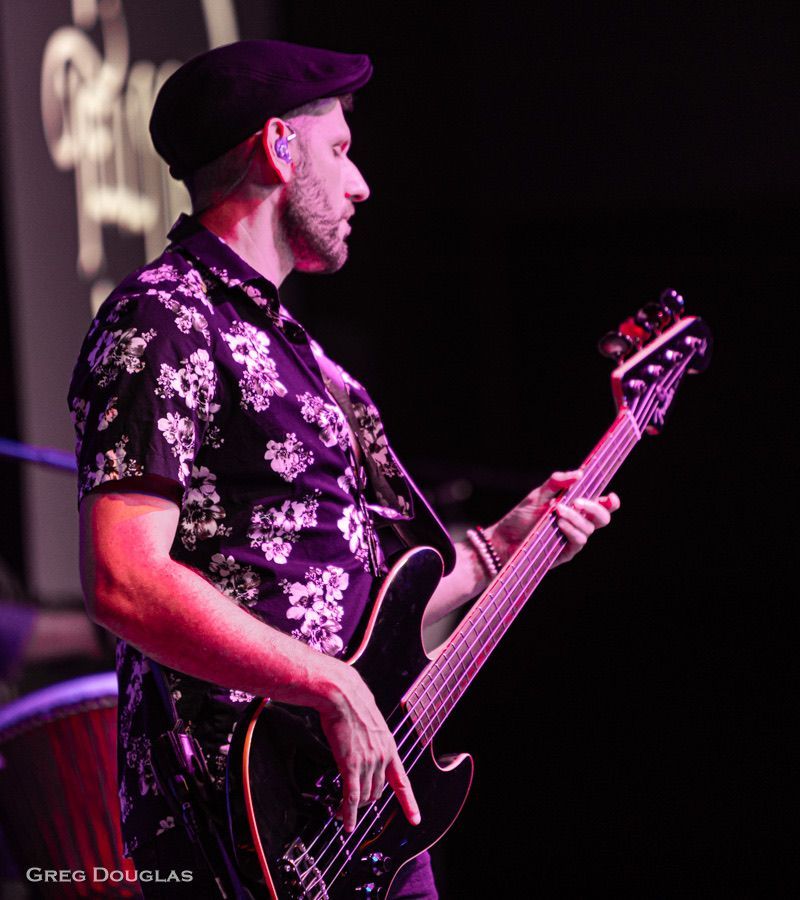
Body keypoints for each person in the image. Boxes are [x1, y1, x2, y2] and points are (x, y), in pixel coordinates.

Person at [69, 40, 619, 898]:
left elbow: (345, 610)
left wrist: (493, 553)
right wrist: (325, 683)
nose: (360, 184)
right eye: (341, 150)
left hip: (356, 806)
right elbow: (123, 579)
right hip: (238, 818)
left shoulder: (313, 365)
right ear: (279, 146)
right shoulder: (163, 317)